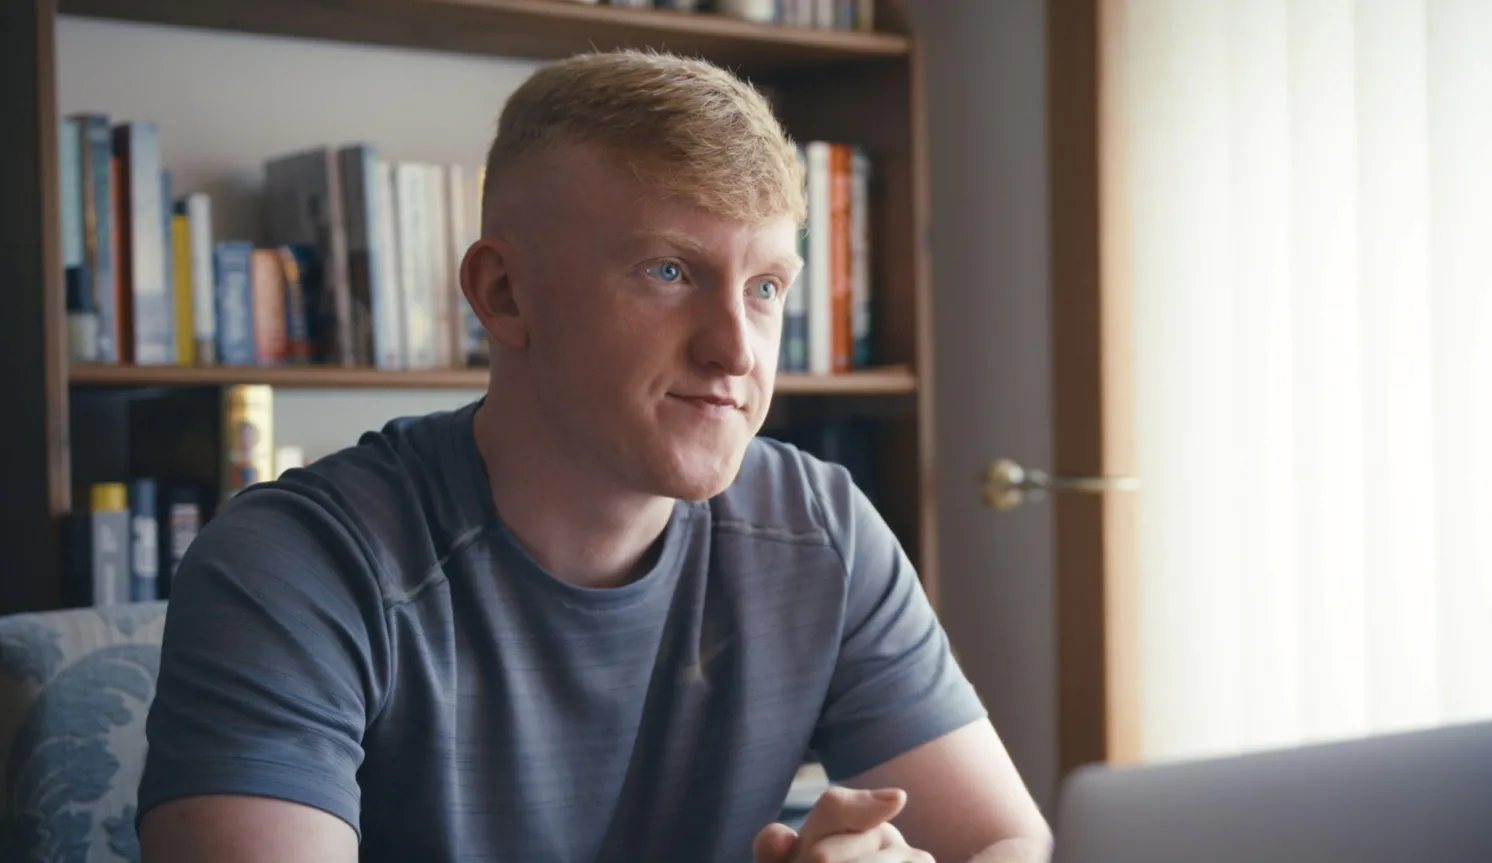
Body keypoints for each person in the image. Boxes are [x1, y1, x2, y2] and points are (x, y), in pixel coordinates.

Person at [136, 49, 1051, 863]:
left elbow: (1008, 839)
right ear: (504, 293)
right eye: (670, 271)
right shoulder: (297, 567)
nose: (736, 349)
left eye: (766, 286)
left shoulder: (820, 529)